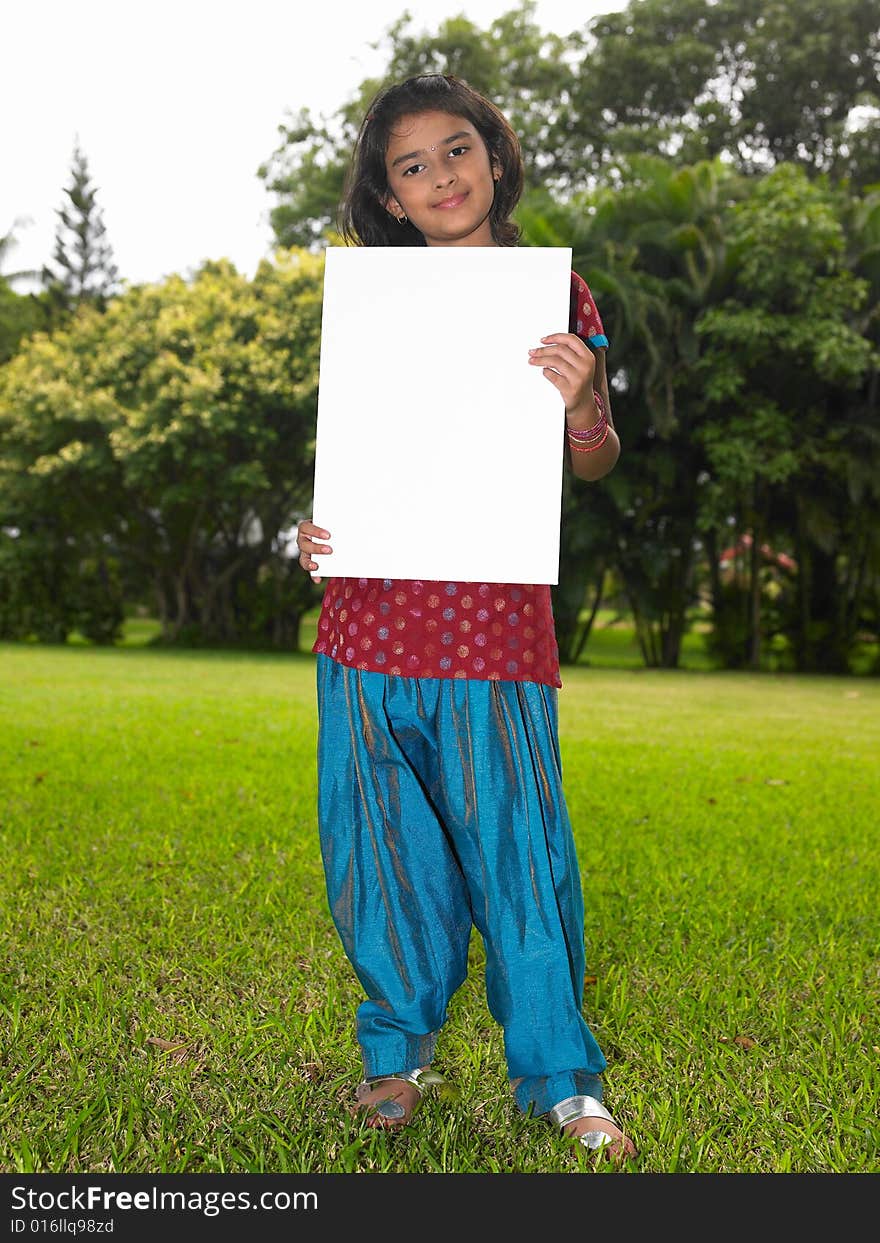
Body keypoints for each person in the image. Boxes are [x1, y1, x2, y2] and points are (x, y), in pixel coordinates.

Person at [295, 73, 636, 1162]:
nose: (440, 176)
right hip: (367, 627)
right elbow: (352, 460)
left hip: (491, 632)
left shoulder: (554, 292)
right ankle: (393, 1057)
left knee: (516, 852)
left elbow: (594, 462)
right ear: (388, 198)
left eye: (457, 150)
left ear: (493, 157)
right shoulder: (368, 306)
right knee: (381, 852)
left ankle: (560, 1078)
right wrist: (316, 530)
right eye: (411, 165)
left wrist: (583, 405)